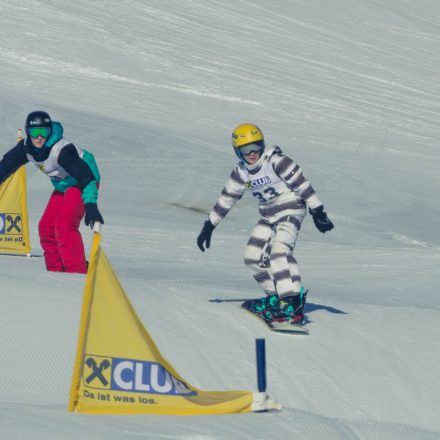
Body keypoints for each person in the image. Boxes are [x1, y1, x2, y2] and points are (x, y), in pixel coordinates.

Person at [197, 123, 333, 324]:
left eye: (256, 147)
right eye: (245, 149)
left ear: (262, 145)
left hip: (290, 209)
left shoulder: (277, 162)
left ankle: (290, 304)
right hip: (268, 216)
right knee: (252, 257)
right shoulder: (241, 172)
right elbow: (227, 198)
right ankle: (275, 297)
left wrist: (318, 210)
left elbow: (302, 184)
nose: (252, 153)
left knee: (280, 252)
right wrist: (209, 225)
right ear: (237, 151)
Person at [0, 110, 104, 273]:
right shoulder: (26, 148)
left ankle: (76, 273)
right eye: (35, 132)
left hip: (84, 182)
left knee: (64, 225)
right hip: (63, 185)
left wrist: (90, 205)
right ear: (28, 131)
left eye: (44, 131)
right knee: (46, 228)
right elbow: (6, 165)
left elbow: (86, 177)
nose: (39, 137)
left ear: (49, 132)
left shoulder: (62, 151)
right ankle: (57, 274)